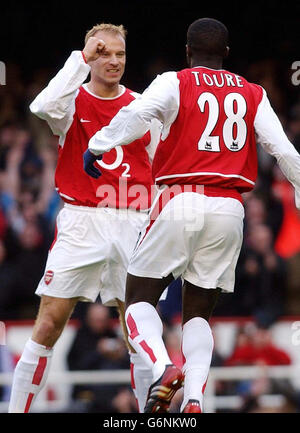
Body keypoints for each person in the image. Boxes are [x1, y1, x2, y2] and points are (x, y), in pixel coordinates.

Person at [84, 17, 300, 413]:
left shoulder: (175, 81)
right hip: (231, 209)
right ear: (227, 55)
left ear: (188, 51)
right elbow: (284, 150)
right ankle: (195, 399)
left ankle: (165, 368)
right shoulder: (253, 92)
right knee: (198, 312)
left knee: (137, 300)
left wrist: (99, 145)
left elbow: (137, 114)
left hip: (181, 197)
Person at [8, 23, 160, 413]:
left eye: (120, 54)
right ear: (89, 55)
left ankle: (148, 417)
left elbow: (159, 166)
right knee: (48, 325)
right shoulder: (71, 102)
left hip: (133, 222)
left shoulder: (145, 105)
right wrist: (79, 59)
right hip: (81, 221)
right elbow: (40, 107)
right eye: (103, 52)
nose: (113, 61)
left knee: (137, 334)